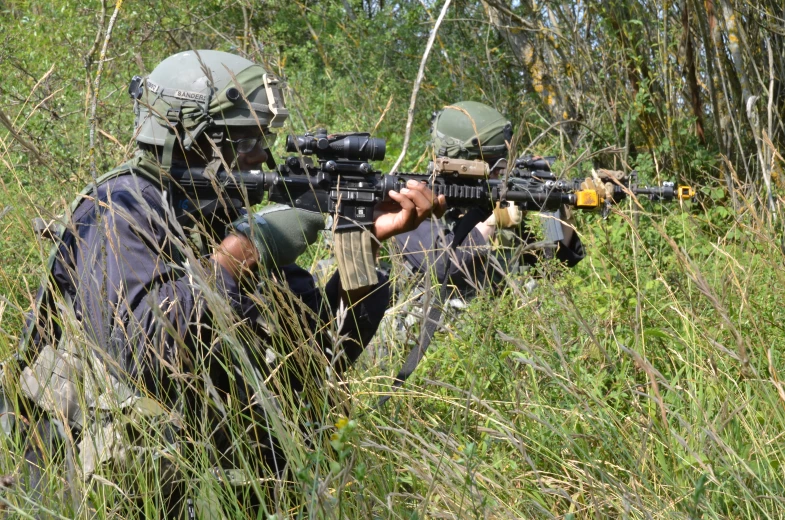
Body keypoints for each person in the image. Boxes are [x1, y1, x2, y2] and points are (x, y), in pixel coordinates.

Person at [7, 50, 445, 515]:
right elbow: (148, 353)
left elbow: (319, 357)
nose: (263, 155)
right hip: (100, 485)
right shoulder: (119, 209)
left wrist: (365, 247)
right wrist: (245, 249)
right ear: (190, 137)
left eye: (265, 137)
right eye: (247, 139)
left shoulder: (216, 212)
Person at [393, 101, 585, 303]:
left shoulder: (491, 202)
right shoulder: (416, 201)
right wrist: (492, 222)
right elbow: (443, 267)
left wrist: (564, 208)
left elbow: (554, 266)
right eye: (490, 163)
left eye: (504, 161)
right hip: (427, 329)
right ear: (458, 160)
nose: (499, 172)